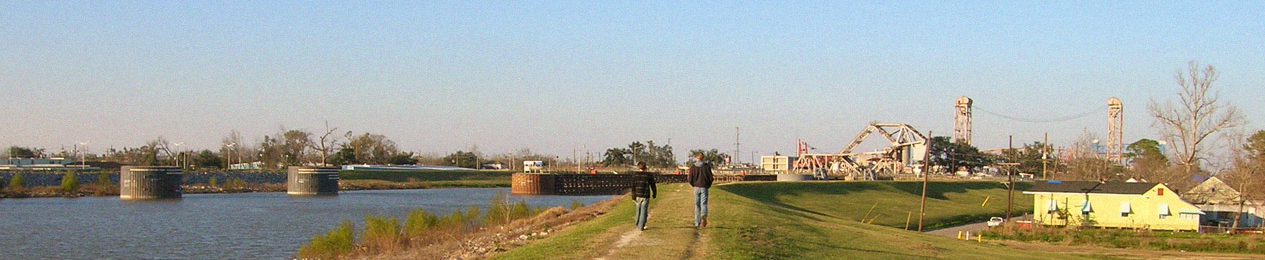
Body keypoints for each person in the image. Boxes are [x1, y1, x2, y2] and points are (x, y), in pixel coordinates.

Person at [687, 152, 714, 227]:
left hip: (696, 187)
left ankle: (697, 222)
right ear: (703, 158)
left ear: (696, 158)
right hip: (704, 187)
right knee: (704, 203)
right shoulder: (706, 167)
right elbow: (711, 178)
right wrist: (708, 185)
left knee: (697, 205)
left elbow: (689, 178)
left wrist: (693, 184)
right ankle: (703, 215)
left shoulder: (693, 167)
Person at [630, 162, 657, 231]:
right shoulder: (648, 175)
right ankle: (641, 226)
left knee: (638, 210)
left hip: (637, 195)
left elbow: (633, 187)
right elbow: (653, 185)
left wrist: (633, 197)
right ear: (645, 167)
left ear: (638, 167)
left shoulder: (635, 175)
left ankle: (637, 222)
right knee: (643, 211)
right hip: (645, 195)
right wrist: (654, 194)